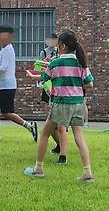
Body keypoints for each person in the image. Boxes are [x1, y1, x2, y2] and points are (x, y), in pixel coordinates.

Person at [27, 31, 95, 182]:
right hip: (78, 104)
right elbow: (89, 83)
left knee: (45, 133)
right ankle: (87, 172)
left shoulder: (55, 62)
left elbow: (45, 77)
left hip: (60, 104)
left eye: (58, 45)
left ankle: (38, 168)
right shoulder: (80, 62)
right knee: (79, 137)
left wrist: (32, 76)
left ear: (62, 46)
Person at [0, 26, 38, 142]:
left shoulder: (8, 50)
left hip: (7, 87)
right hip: (2, 86)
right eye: (0, 35)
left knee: (7, 113)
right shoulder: (3, 50)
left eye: (4, 35)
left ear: (10, 37)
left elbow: (3, 67)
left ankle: (30, 126)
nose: (0, 38)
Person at [38, 33, 67, 160]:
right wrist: (45, 62)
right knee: (52, 120)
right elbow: (40, 67)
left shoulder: (60, 52)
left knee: (56, 124)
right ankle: (60, 147)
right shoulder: (44, 52)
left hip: (58, 88)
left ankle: (61, 148)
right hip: (49, 84)